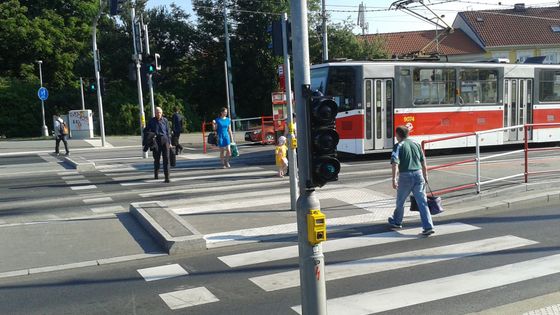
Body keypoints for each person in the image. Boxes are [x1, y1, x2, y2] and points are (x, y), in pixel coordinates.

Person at [389, 125, 435, 236]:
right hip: (419, 175)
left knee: (400, 201)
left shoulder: (398, 146)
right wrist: (425, 175)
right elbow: (423, 161)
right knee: (422, 202)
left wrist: (394, 179)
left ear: (397, 135)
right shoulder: (416, 144)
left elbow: (395, 163)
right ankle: (428, 226)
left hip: (405, 176)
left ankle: (397, 221)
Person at [146, 107, 171, 183]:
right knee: (156, 159)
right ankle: (156, 174)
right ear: (155, 113)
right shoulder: (151, 121)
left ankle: (167, 177)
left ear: (162, 113)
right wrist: (150, 136)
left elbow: (168, 132)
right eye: (157, 112)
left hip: (165, 140)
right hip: (156, 141)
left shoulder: (165, 120)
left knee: (166, 159)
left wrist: (170, 142)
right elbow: (147, 130)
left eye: (159, 112)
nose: (158, 114)